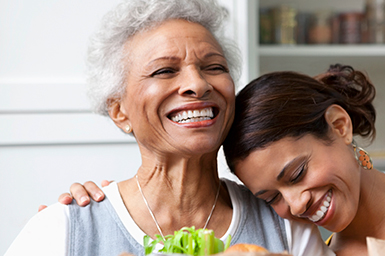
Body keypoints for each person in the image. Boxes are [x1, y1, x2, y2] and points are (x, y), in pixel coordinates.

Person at [56, 64, 385, 255]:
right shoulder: (315, 250)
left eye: (295, 174)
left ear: (339, 126)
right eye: (270, 197)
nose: (296, 204)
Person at [4, 0, 332, 255]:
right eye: (164, 71)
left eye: (214, 67)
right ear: (119, 111)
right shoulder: (62, 229)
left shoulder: (286, 226)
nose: (197, 84)